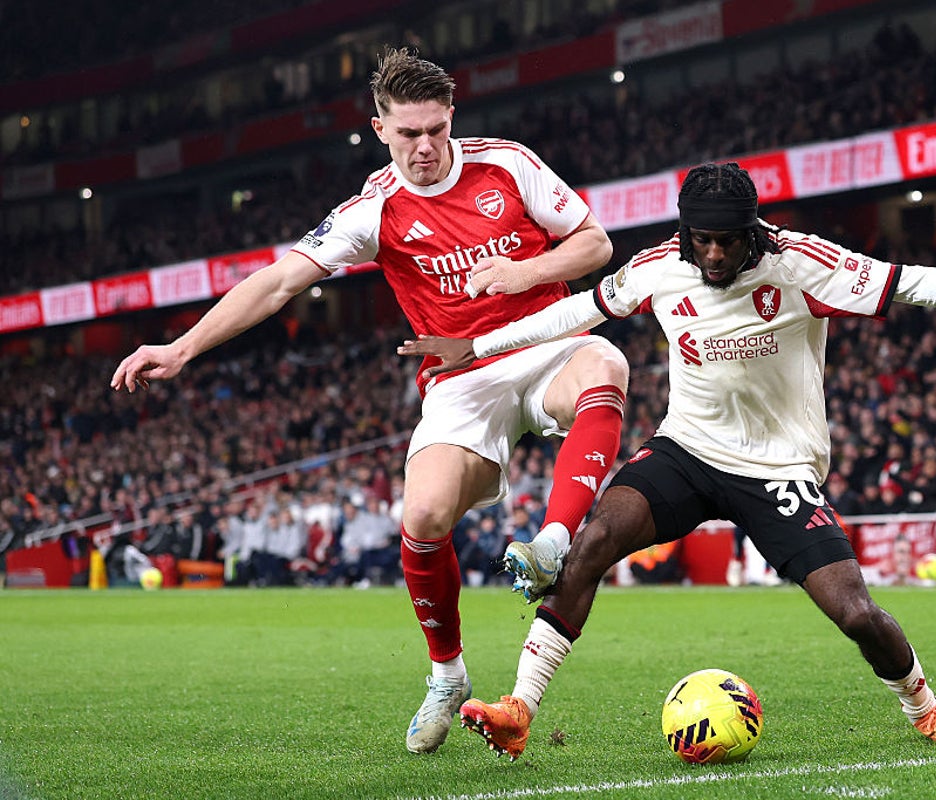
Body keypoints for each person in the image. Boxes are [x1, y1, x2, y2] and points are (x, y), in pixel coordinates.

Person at [397, 161, 936, 758]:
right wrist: (477, 348)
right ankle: (519, 709)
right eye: (701, 241)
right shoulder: (659, 267)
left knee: (854, 611)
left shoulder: (801, 264)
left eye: (727, 242)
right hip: (687, 449)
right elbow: (575, 312)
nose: (713, 256)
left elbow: (909, 281)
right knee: (594, 541)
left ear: (752, 231)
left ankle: (926, 707)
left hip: (777, 468)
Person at [109, 47, 629, 754]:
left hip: (544, 343)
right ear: (380, 129)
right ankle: (446, 675)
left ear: (452, 118)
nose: (425, 146)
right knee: (423, 517)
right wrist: (181, 348)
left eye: (437, 129)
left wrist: (523, 271)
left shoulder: (508, 164)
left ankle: (553, 543)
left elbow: (595, 244)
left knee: (606, 360)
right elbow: (277, 283)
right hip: (459, 380)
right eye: (409, 133)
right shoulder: (373, 209)